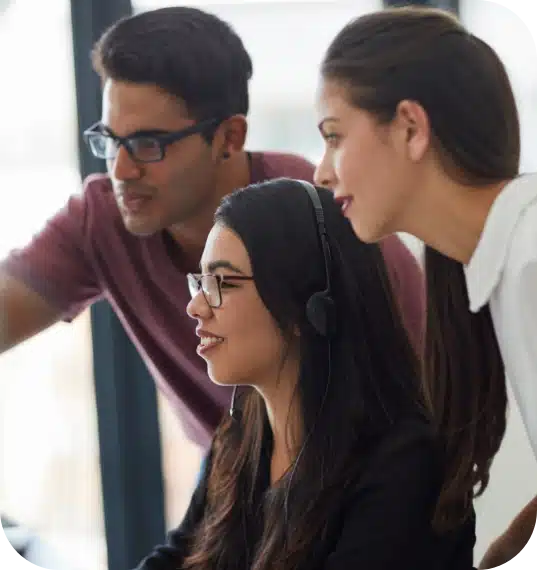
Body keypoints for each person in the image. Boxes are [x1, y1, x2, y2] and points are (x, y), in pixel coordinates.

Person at [0, 7, 424, 452]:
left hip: (359, 480)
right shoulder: (102, 219)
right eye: (110, 142)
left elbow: (427, 383)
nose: (121, 170)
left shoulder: (317, 216)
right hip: (233, 487)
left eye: (149, 144)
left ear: (229, 137)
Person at [136, 178, 475, 570]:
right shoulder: (240, 433)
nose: (196, 307)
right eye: (200, 281)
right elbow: (177, 556)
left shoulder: (404, 466)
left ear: (306, 304)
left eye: (222, 283)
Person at [314, 6, 536, 569]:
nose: (322, 171)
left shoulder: (531, 261)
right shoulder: (500, 265)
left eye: (335, 136)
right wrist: (510, 552)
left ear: (411, 128)